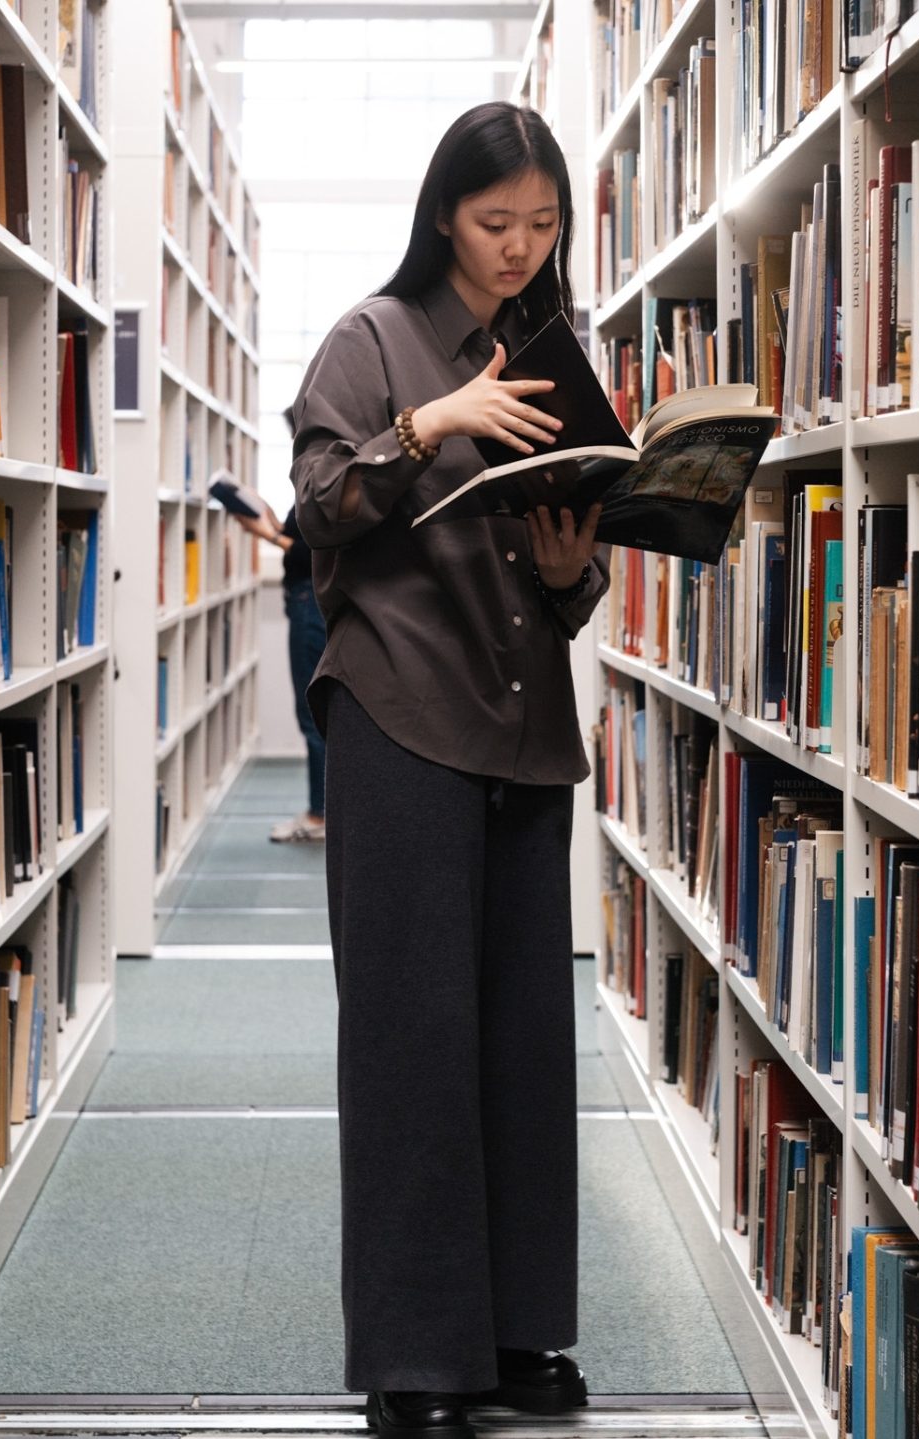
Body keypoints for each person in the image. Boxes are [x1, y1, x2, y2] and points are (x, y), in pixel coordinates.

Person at [285, 101, 605, 1439]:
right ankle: (418, 1354)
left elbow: (570, 593)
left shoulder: (557, 350)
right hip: (402, 717)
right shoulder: (373, 338)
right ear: (441, 217)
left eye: (542, 225)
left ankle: (519, 1327)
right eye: (495, 224)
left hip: (524, 724)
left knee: (525, 1040)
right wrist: (427, 426)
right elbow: (311, 516)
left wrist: (570, 565)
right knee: (414, 1041)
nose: (520, 248)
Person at [232, 495, 327, 842]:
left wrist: (267, 535)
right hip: (308, 602)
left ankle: (320, 815)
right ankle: (320, 809)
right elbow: (308, 538)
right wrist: (272, 521)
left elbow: (315, 553)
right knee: (314, 712)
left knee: (312, 713)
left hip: (309, 603)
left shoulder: (322, 461)